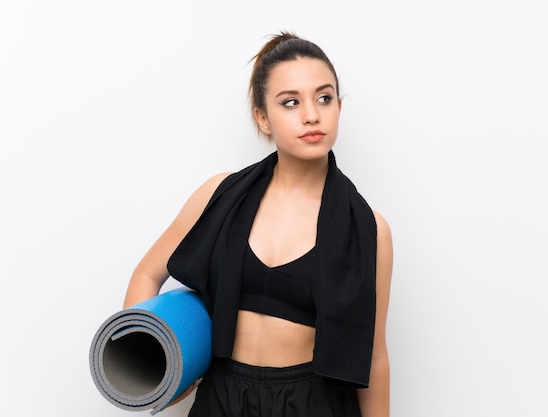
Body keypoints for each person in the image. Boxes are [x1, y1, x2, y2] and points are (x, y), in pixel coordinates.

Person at [123, 31, 393, 417]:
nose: (312, 114)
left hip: (314, 403)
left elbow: (375, 356)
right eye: (290, 102)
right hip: (223, 396)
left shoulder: (369, 229)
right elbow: (147, 274)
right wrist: (157, 367)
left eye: (324, 97)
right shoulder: (218, 195)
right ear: (262, 118)